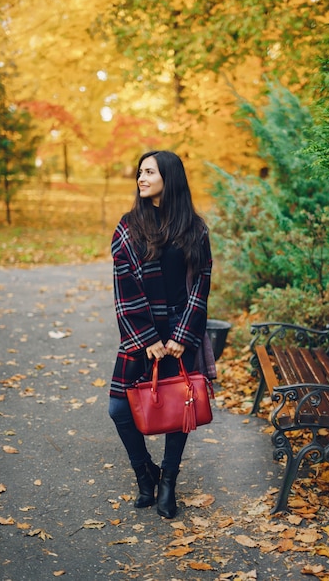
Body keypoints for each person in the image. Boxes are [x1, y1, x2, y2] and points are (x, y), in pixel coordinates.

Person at [109, 150, 216, 519]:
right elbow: (124, 287)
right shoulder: (129, 226)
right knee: (119, 408)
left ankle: (168, 480)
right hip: (142, 333)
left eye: (149, 172)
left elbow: (201, 286)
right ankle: (145, 473)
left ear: (169, 178)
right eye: (140, 172)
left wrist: (183, 335)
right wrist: (147, 339)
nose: (141, 178)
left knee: (180, 406)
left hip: (179, 332)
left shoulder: (194, 229)